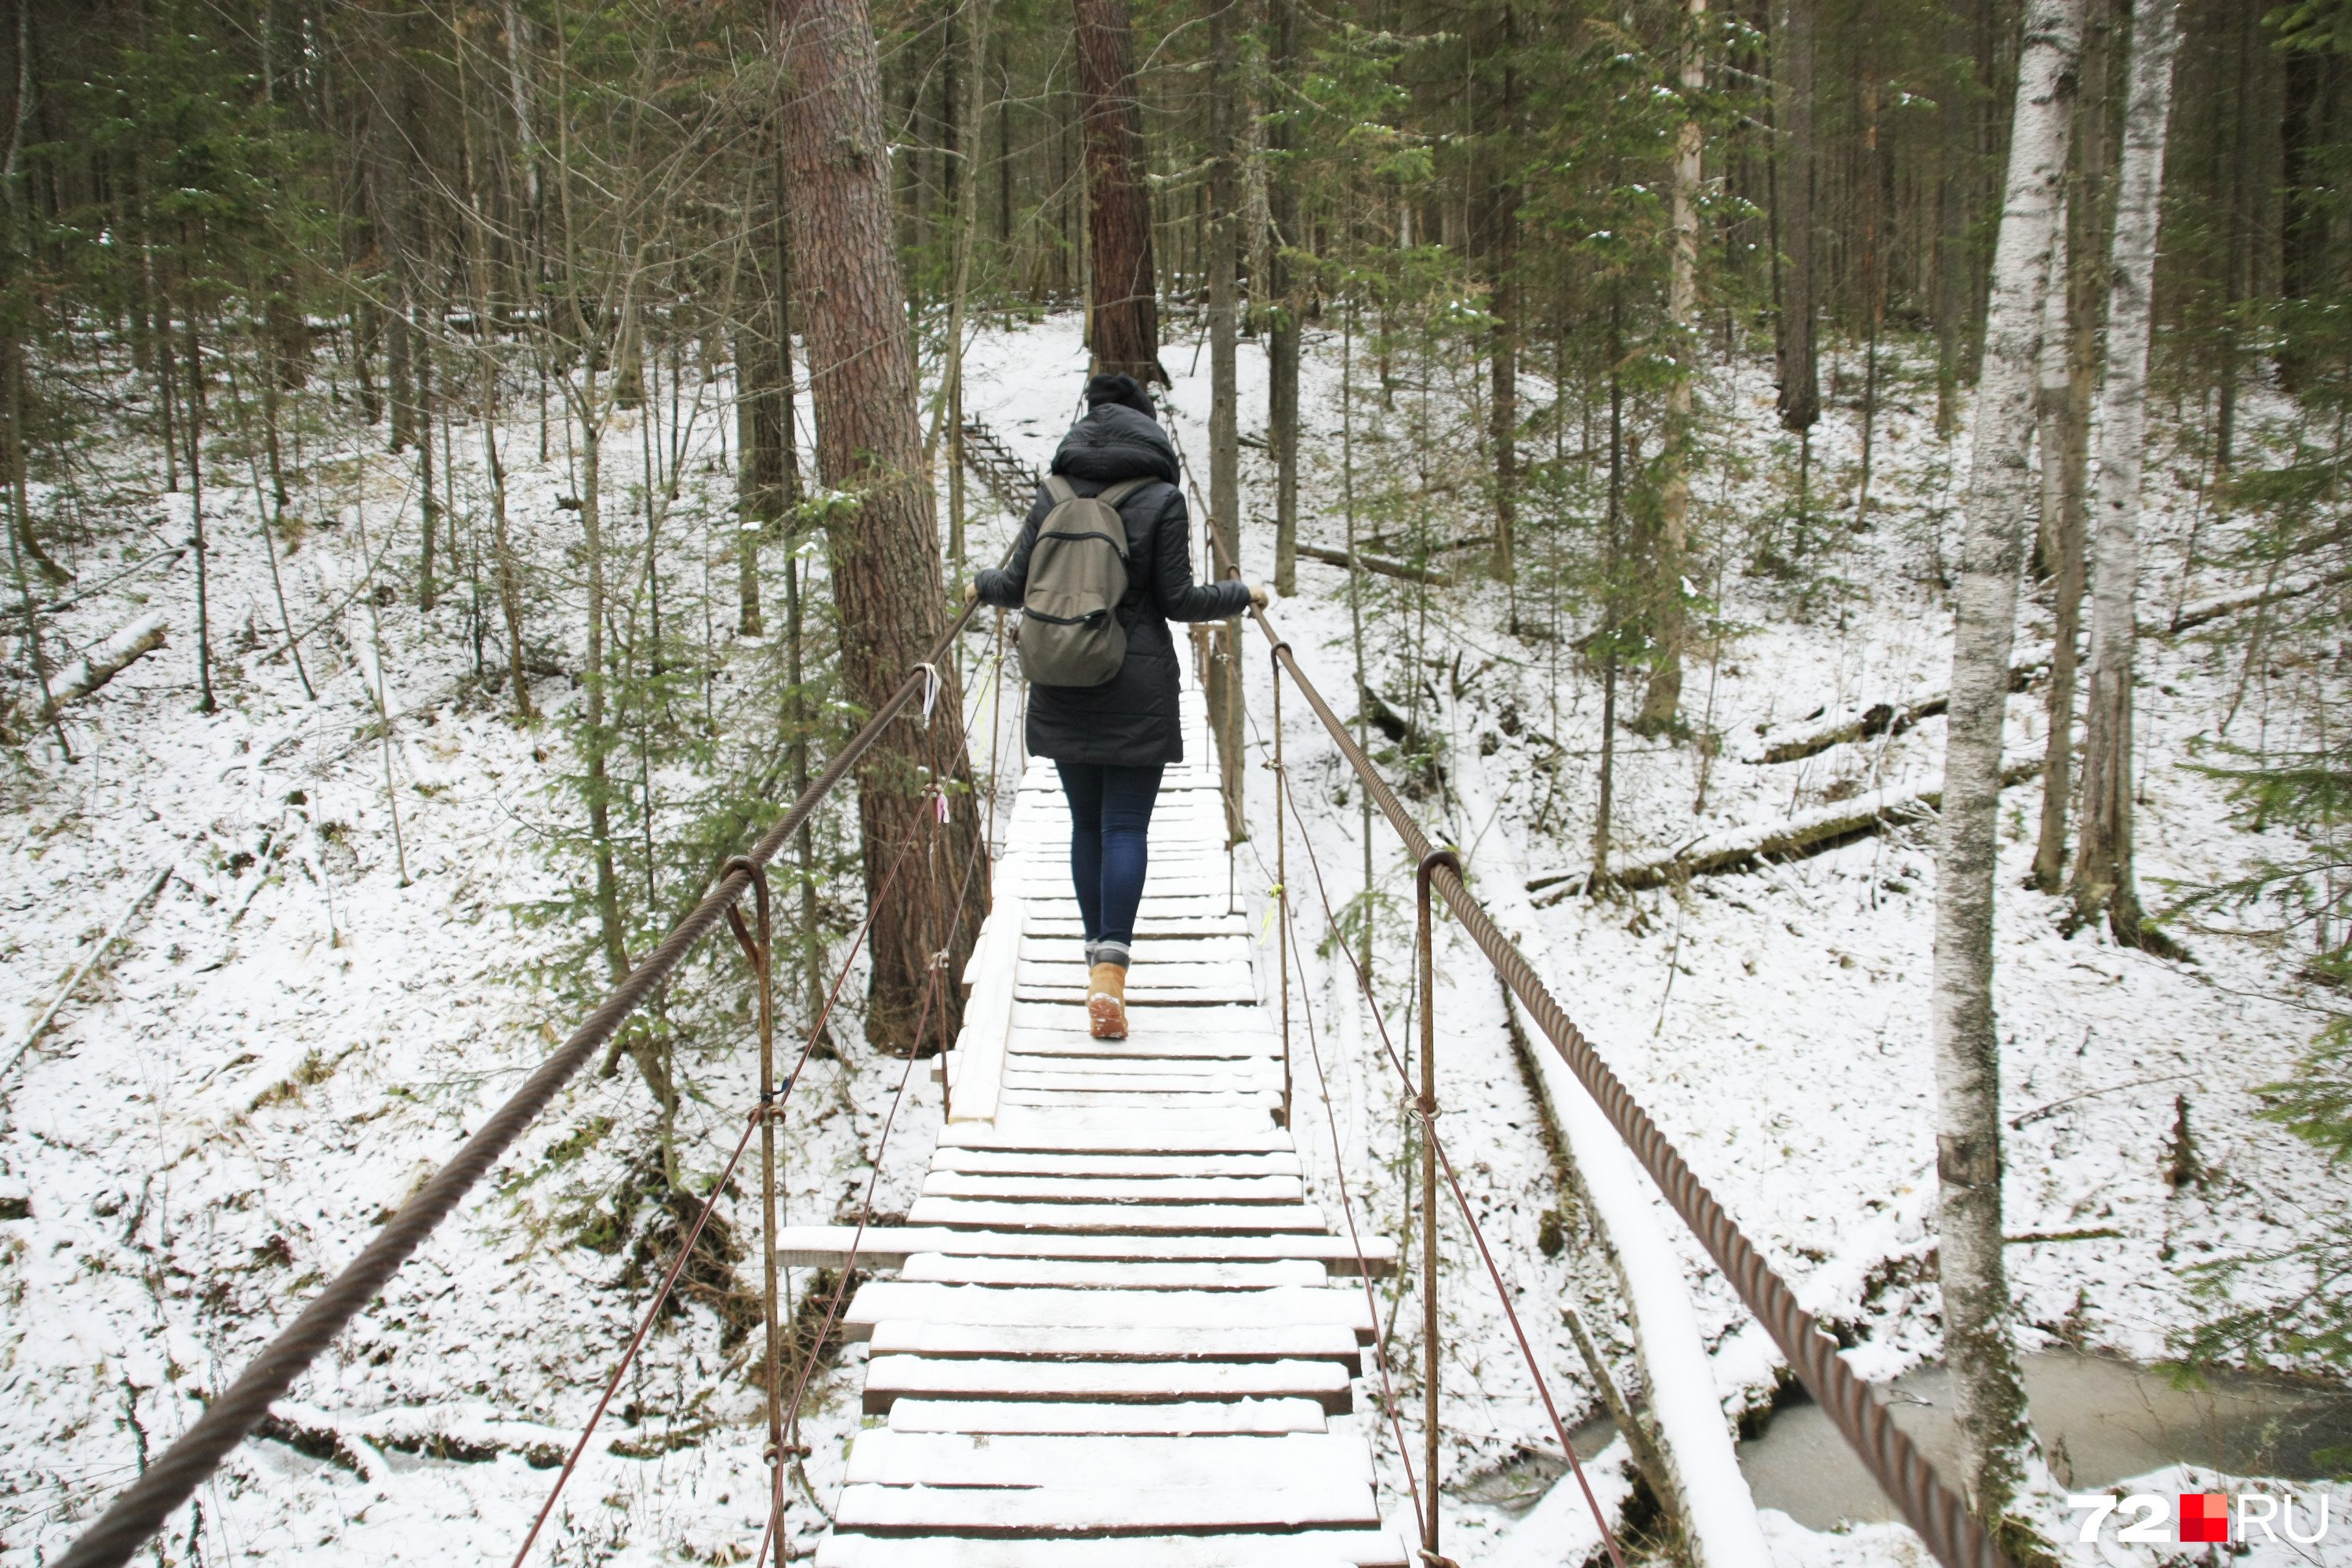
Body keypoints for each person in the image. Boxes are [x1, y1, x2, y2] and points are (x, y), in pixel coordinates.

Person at [975, 372, 1265, 1040]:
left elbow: (1015, 587)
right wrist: (1242, 594)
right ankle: (1112, 965)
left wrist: (978, 584)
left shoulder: (1051, 492)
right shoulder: (1162, 496)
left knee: (1086, 825)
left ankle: (1092, 959)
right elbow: (1179, 602)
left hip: (1060, 676)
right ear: (1147, 428)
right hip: (1135, 684)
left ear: (1086, 427)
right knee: (1125, 827)